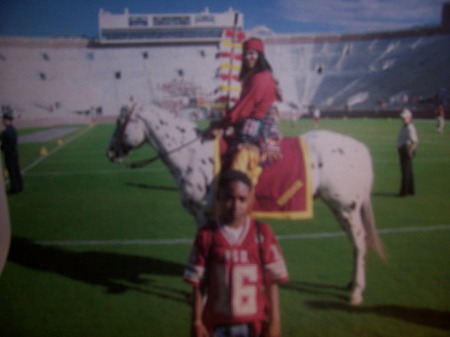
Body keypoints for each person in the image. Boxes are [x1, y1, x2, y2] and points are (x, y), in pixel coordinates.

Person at [183, 170, 289, 337]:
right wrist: (196, 321)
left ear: (251, 199)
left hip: (254, 325)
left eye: (242, 199)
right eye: (229, 198)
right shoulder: (207, 235)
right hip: (217, 325)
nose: (236, 205)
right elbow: (198, 283)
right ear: (219, 197)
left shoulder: (263, 233)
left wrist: (275, 322)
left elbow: (272, 282)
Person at [210, 37, 283, 186]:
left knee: (243, 153)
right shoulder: (253, 76)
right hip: (251, 117)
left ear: (260, 55)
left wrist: (224, 122)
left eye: (253, 53)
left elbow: (245, 107)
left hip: (258, 120)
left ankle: (242, 191)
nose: (249, 57)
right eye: (246, 54)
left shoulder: (260, 77)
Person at [396, 108, 418, 197]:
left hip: (407, 150)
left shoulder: (410, 127)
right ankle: (410, 190)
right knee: (408, 171)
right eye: (402, 118)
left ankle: (403, 192)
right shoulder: (404, 126)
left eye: (404, 118)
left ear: (409, 118)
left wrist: (410, 150)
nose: (402, 119)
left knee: (405, 171)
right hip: (403, 149)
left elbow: (415, 141)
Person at [1, 110, 23, 194]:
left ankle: (14, 189)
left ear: (7, 120)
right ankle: (19, 187)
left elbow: (4, 145)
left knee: (12, 172)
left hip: (9, 154)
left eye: (3, 120)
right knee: (16, 171)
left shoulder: (5, 132)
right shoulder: (13, 130)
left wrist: (2, 148)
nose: (2, 122)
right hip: (14, 153)